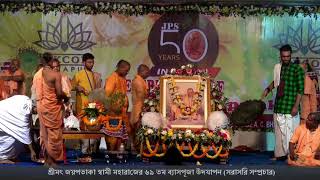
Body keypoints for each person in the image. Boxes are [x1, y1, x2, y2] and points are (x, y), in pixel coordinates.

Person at [261, 44, 304, 160]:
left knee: (291, 133)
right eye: (283, 56)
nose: (285, 58)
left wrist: (296, 106)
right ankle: (279, 155)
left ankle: (292, 155)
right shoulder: (278, 67)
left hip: (290, 107)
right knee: (279, 133)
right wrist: (267, 89)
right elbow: (276, 82)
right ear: (280, 56)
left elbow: (301, 90)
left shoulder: (297, 69)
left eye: (288, 56)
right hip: (279, 106)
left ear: (291, 56)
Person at [35, 52, 69, 166]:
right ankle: (52, 161)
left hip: (42, 106)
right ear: (50, 62)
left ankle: (47, 160)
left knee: (45, 134)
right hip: (53, 107)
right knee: (54, 135)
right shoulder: (55, 75)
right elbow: (59, 94)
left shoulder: (38, 74)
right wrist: (65, 97)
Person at [72, 53, 102, 156]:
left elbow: (98, 91)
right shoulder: (78, 74)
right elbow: (71, 88)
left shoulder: (95, 75)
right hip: (81, 106)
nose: (91, 64)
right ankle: (84, 152)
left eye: (92, 62)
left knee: (92, 128)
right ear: (83, 62)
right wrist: (77, 88)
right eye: (89, 62)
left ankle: (90, 150)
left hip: (92, 106)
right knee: (83, 129)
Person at [0, 95, 36, 164]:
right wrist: (32, 151)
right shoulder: (24, 113)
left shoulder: (26, 99)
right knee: (12, 139)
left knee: (16, 139)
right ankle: (2, 158)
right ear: (35, 107)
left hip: (4, 115)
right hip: (2, 117)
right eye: (37, 111)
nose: (37, 113)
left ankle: (9, 156)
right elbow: (25, 132)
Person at [104, 60, 130, 152]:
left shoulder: (122, 78)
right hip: (113, 113)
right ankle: (111, 156)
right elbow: (107, 96)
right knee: (113, 136)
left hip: (121, 114)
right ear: (120, 68)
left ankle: (118, 155)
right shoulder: (112, 78)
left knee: (120, 137)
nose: (127, 72)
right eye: (126, 70)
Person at [130, 64, 150, 154]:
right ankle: (136, 148)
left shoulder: (140, 80)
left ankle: (137, 147)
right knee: (137, 127)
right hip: (139, 107)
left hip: (139, 106)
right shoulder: (138, 81)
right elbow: (141, 95)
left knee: (138, 128)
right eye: (147, 72)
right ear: (142, 71)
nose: (148, 74)